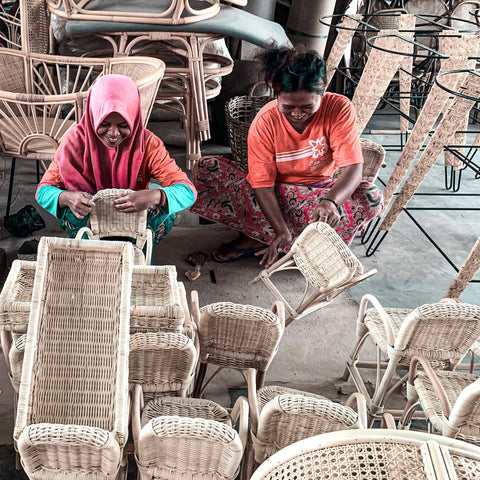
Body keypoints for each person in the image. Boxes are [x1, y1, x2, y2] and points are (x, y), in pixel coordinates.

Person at [192, 46, 383, 268]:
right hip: (276, 193)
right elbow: (262, 185)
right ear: (276, 94)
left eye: (307, 106)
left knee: (370, 196)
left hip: (318, 194)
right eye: (289, 106)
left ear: (322, 91)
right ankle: (291, 240)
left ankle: (259, 237)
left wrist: (330, 201)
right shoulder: (264, 122)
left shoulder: (339, 108)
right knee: (207, 168)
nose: (297, 114)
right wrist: (281, 229)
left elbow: (353, 167)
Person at [36, 74, 196, 245]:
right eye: (104, 124)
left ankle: (137, 247)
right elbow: (43, 191)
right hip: (89, 223)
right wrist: (67, 198)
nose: (113, 134)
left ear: (134, 118)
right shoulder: (74, 142)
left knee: (162, 204)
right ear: (93, 115)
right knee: (70, 212)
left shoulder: (148, 144)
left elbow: (188, 191)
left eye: (123, 125)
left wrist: (156, 196)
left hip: (133, 221)